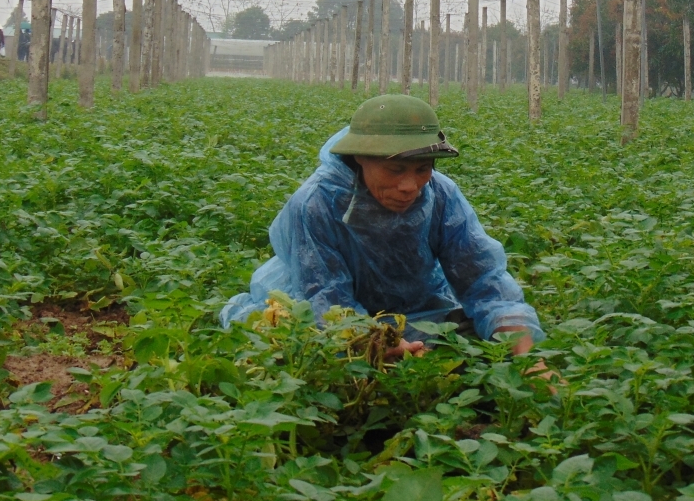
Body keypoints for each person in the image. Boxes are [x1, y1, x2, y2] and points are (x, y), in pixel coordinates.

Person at [221, 95, 543, 360]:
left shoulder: (441, 195)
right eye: (395, 169)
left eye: (422, 168)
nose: (409, 185)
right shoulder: (316, 204)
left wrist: (525, 354)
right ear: (360, 157)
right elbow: (326, 300)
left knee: (476, 338)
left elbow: (484, 280)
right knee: (298, 349)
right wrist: (375, 342)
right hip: (321, 312)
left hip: (417, 311)